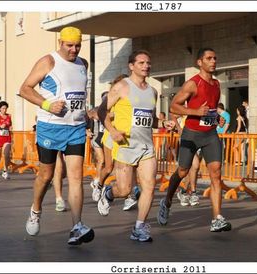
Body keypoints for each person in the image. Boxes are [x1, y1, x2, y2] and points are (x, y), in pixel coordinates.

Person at [19, 26, 94, 245]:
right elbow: (24, 88)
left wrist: (85, 114)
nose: (74, 50)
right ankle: (36, 209)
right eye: (69, 45)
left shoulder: (83, 64)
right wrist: (46, 104)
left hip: (76, 128)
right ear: (60, 43)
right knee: (45, 175)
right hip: (50, 127)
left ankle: (77, 227)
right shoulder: (48, 61)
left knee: (76, 178)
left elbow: (78, 95)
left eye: (78, 45)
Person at [97, 50, 174, 242]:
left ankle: (139, 227)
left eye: (148, 63)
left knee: (149, 187)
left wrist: (163, 124)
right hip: (125, 145)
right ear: (131, 66)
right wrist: (112, 131)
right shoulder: (122, 87)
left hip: (146, 147)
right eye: (141, 63)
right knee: (124, 191)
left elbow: (151, 120)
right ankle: (108, 192)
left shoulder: (153, 91)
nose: (146, 66)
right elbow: (101, 111)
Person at [157, 47, 232, 232]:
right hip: (191, 134)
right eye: (209, 58)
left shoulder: (216, 84)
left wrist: (218, 118)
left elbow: (211, 110)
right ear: (200, 62)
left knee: (216, 174)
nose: (213, 61)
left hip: (210, 135)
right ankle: (166, 201)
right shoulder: (193, 84)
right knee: (182, 172)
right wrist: (194, 112)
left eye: (215, 58)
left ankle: (217, 218)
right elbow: (174, 107)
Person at [93, 77, 141, 211]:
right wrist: (115, 114)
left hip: (125, 135)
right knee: (109, 167)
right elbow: (100, 113)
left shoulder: (132, 97)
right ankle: (100, 185)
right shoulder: (112, 96)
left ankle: (129, 196)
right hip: (111, 134)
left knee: (132, 166)